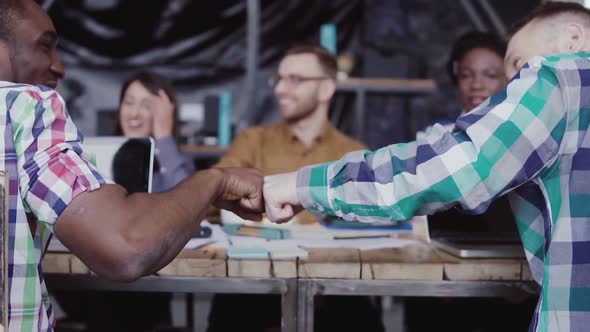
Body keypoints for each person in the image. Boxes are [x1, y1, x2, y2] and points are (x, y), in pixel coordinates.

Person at [264, 2, 590, 330]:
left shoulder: (563, 79)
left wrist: (302, 185)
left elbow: (458, 170)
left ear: (573, 39)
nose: (514, 87)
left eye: (520, 69)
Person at [0, 1, 263, 330]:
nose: (60, 68)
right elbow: (126, 246)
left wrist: (165, 138)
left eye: (148, 105)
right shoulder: (26, 109)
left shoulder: (159, 155)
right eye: (44, 46)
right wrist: (215, 181)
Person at [214, 43, 366, 224]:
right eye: (279, 79)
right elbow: (214, 193)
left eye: (295, 79)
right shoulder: (252, 141)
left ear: (326, 89)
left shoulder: (353, 155)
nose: (279, 90)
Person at [115, 71, 195, 192]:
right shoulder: (97, 156)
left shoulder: (179, 163)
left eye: (146, 105)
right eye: (129, 103)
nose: (134, 113)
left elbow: (188, 200)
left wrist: (163, 136)